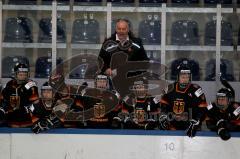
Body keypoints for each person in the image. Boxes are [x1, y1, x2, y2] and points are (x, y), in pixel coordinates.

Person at [159, 60, 207, 137]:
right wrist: (163, 116)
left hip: (191, 128)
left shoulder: (196, 90)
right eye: (183, 77)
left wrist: (197, 120)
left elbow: (203, 109)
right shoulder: (169, 89)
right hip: (172, 128)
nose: (185, 79)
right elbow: (163, 105)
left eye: (187, 77)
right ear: (178, 77)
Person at [0, 63, 39, 127]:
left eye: (24, 73)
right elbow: (2, 100)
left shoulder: (31, 85)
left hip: (26, 121)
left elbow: (36, 103)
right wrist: (4, 108)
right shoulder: (9, 84)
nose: (23, 75)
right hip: (11, 121)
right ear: (15, 74)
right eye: (20, 73)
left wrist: (26, 108)